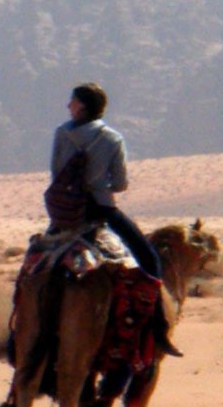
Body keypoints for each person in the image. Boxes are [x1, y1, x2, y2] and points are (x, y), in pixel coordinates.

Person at [46, 82, 161, 277]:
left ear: (82, 105)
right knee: (145, 253)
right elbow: (120, 183)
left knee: (38, 255)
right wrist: (103, 185)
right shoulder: (113, 139)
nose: (68, 106)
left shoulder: (62, 133)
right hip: (100, 206)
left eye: (72, 101)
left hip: (67, 210)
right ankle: (155, 301)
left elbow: (56, 172)